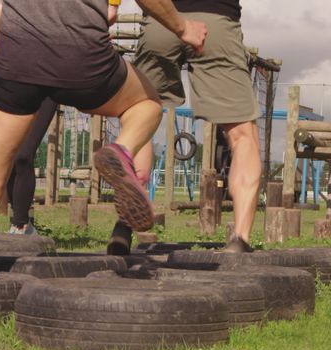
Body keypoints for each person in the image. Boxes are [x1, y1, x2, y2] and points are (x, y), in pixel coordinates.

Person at [0, 0, 207, 281]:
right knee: (147, 103)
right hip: (82, 54)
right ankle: (121, 150)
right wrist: (183, 27)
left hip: (18, 55)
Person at [112, 0, 261, 254]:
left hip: (161, 21)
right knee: (242, 134)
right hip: (216, 21)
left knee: (138, 114)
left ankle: (124, 227)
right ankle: (240, 240)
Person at [0, 3, 125, 236]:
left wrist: (91, 31)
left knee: (24, 155)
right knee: (6, 157)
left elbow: (109, 15)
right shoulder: (9, 12)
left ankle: (21, 224)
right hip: (17, 81)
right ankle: (13, 219)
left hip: (50, 82)